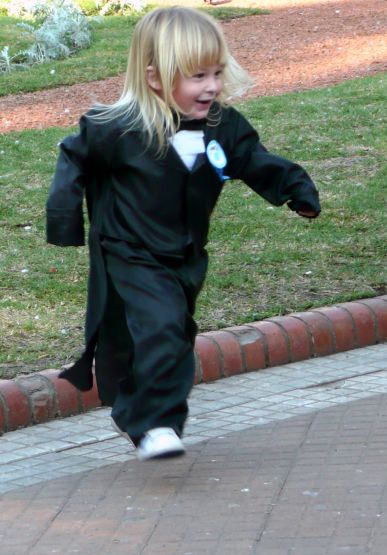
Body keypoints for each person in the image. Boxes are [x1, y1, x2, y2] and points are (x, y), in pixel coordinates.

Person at [46, 6, 321, 461]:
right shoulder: (118, 128)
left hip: (186, 254)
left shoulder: (223, 126)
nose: (211, 86)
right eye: (197, 76)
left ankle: (144, 413)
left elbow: (255, 160)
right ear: (156, 78)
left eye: (216, 72)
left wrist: (296, 190)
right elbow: (72, 159)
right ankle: (156, 424)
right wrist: (64, 218)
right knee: (162, 326)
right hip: (129, 249)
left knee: (174, 334)